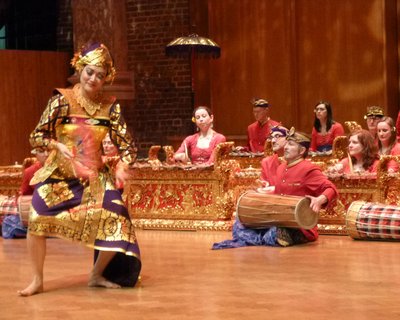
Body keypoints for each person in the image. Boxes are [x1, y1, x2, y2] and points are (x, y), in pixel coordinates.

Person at [18, 43, 141, 296]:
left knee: (117, 216)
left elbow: (128, 146)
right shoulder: (62, 99)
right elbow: (36, 136)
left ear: (107, 78)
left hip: (95, 177)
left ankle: (96, 274)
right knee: (36, 219)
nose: (94, 79)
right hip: (59, 175)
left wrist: (123, 166)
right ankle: (37, 280)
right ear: (80, 69)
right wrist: (55, 145)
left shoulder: (111, 107)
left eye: (100, 75)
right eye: (90, 72)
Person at [212, 127, 337, 248]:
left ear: (302, 151)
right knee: (239, 225)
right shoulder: (282, 167)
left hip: (300, 226)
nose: (286, 147)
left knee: (273, 234)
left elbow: (331, 188)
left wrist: (319, 200)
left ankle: (267, 238)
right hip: (278, 218)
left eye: (291, 145)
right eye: (286, 143)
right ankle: (266, 238)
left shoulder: (309, 169)